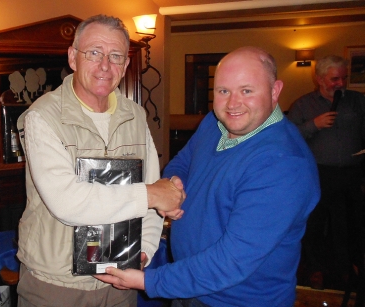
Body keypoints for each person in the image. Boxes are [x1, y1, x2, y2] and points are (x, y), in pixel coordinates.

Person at [97, 46, 320, 307]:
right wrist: (173, 185)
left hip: (236, 300)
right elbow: (182, 161)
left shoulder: (284, 166)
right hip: (189, 288)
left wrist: (149, 282)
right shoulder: (215, 123)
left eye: (247, 91)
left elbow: (232, 261)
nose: (233, 103)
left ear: (275, 91)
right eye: (223, 91)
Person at [16, 14, 185, 307]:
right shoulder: (42, 117)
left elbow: (152, 199)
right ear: (73, 57)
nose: (105, 65)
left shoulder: (135, 115)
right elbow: (68, 202)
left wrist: (143, 249)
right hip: (57, 285)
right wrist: (153, 194)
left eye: (116, 55)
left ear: (126, 65)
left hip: (121, 280)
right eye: (94, 53)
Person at [287, 55, 365, 290]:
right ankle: (315, 269)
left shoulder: (358, 101)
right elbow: (288, 137)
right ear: (319, 79)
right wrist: (314, 125)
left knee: (349, 224)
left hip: (351, 173)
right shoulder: (303, 104)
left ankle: (347, 270)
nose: (340, 83)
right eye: (334, 79)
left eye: (344, 78)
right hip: (318, 174)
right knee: (315, 225)